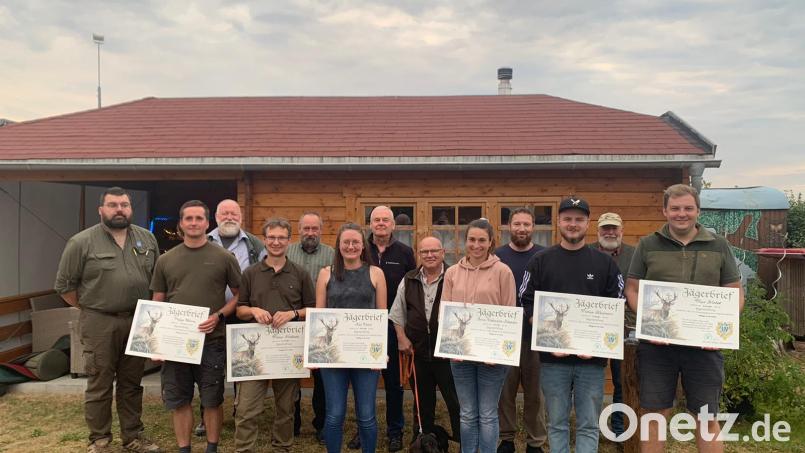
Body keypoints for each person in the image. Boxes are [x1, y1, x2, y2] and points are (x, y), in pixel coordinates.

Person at [625, 184, 743, 453]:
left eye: (688, 208)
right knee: (655, 416)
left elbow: (734, 293)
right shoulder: (647, 244)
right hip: (657, 348)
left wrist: (720, 330)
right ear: (665, 211)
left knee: (707, 418)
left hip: (704, 348)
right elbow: (632, 288)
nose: (682, 214)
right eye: (675, 208)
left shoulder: (719, 245)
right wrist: (650, 322)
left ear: (698, 211)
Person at [54, 187, 162, 453]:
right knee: (99, 383)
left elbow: (157, 281)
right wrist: (93, 307)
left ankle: (133, 437)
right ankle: (100, 440)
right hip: (99, 322)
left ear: (130, 209)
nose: (119, 209)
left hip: (138, 321)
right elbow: (65, 287)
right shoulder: (81, 242)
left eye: (124, 204)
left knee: (131, 384)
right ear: (101, 210)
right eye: (113, 205)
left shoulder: (147, 239)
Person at [520, 197, 623, 453]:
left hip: (592, 360)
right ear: (558, 222)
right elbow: (525, 301)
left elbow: (616, 305)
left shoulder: (605, 263)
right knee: (557, 423)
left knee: (589, 424)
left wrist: (597, 345)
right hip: (553, 360)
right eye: (568, 219)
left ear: (588, 223)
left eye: (579, 219)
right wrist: (548, 338)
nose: (573, 224)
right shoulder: (541, 261)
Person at [150, 200, 242, 453]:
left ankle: (212, 447)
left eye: (198, 218)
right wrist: (155, 343)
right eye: (188, 219)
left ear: (207, 223)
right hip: (174, 345)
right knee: (179, 400)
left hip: (211, 341)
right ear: (180, 224)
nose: (193, 223)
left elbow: (238, 295)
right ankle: (184, 448)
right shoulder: (165, 260)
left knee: (212, 400)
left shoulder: (224, 257)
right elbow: (157, 303)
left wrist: (219, 316)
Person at [233, 218, 315, 452]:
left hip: (287, 351)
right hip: (255, 352)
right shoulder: (250, 273)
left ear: (289, 241)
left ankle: (282, 447)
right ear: (265, 240)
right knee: (247, 408)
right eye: (271, 238)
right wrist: (254, 310)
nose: (276, 242)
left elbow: (312, 309)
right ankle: (244, 449)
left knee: (286, 408)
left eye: (281, 238)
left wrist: (292, 314)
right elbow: (239, 309)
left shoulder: (300, 273)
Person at [443, 218, 517, 453]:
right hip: (460, 356)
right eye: (472, 240)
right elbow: (444, 313)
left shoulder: (503, 272)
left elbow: (509, 313)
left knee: (486, 414)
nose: (476, 245)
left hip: (492, 358)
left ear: (491, 242)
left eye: (481, 240)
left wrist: (498, 351)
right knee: (466, 414)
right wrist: (450, 347)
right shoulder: (452, 272)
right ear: (465, 241)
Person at [194, 199, 265, 437]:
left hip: (242, 315)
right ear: (215, 217)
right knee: (208, 369)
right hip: (210, 316)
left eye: (234, 213)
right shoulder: (204, 240)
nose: (229, 217)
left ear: (241, 217)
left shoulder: (255, 244)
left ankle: (239, 411)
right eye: (224, 213)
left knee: (241, 366)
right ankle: (206, 416)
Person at [348, 206, 415, 452]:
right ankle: (362, 428)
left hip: (391, 325)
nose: (381, 224)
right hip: (362, 327)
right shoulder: (358, 250)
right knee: (363, 381)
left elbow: (412, 288)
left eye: (385, 220)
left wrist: (404, 329)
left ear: (393, 225)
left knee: (394, 382)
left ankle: (395, 430)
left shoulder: (405, 252)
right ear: (370, 224)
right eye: (376, 220)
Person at [316, 223, 388, 453]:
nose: (350, 246)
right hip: (333, 355)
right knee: (335, 414)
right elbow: (319, 315)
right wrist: (316, 353)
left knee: (366, 415)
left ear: (363, 245)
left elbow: (381, 315)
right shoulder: (325, 273)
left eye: (355, 242)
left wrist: (381, 351)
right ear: (338, 245)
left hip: (365, 354)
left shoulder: (375, 273)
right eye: (345, 242)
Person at [389, 236, 461, 445]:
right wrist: (402, 339)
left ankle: (464, 442)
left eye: (434, 251)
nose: (429, 255)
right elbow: (397, 314)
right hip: (418, 354)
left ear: (442, 253)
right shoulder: (409, 279)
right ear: (418, 255)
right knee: (422, 405)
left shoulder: (454, 277)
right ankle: (422, 442)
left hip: (449, 355)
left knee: (457, 403)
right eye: (424, 252)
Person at [495, 208, 547, 453]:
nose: (522, 228)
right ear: (508, 226)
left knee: (535, 393)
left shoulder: (544, 256)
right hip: (504, 335)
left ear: (533, 227)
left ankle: (534, 441)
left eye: (527, 224)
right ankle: (506, 438)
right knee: (504, 391)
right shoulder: (496, 256)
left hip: (535, 336)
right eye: (517, 224)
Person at [286, 211, 335, 443]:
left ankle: (322, 425)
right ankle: (292, 424)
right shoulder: (286, 251)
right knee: (291, 376)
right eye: (306, 228)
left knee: (321, 379)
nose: (310, 233)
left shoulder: (331, 254)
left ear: (321, 230)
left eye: (315, 229)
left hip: (320, 325)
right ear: (299, 230)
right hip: (289, 322)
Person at [591, 212, 635, 440]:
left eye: (614, 228)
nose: (610, 232)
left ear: (622, 230)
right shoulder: (586, 253)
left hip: (625, 327)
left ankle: (618, 429)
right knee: (590, 380)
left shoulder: (635, 255)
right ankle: (590, 428)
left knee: (622, 380)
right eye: (605, 228)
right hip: (592, 328)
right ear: (598, 232)